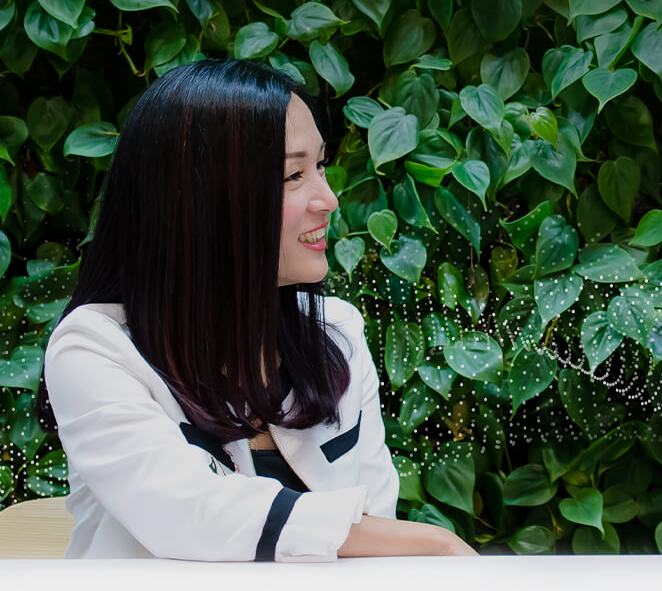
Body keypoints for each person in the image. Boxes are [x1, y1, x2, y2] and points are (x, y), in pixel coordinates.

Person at [36, 59, 477, 561]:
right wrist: (436, 541)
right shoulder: (95, 349)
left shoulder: (336, 336)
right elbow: (190, 513)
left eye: (321, 166)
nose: (329, 199)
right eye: (293, 174)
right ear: (200, 203)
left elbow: (375, 537)